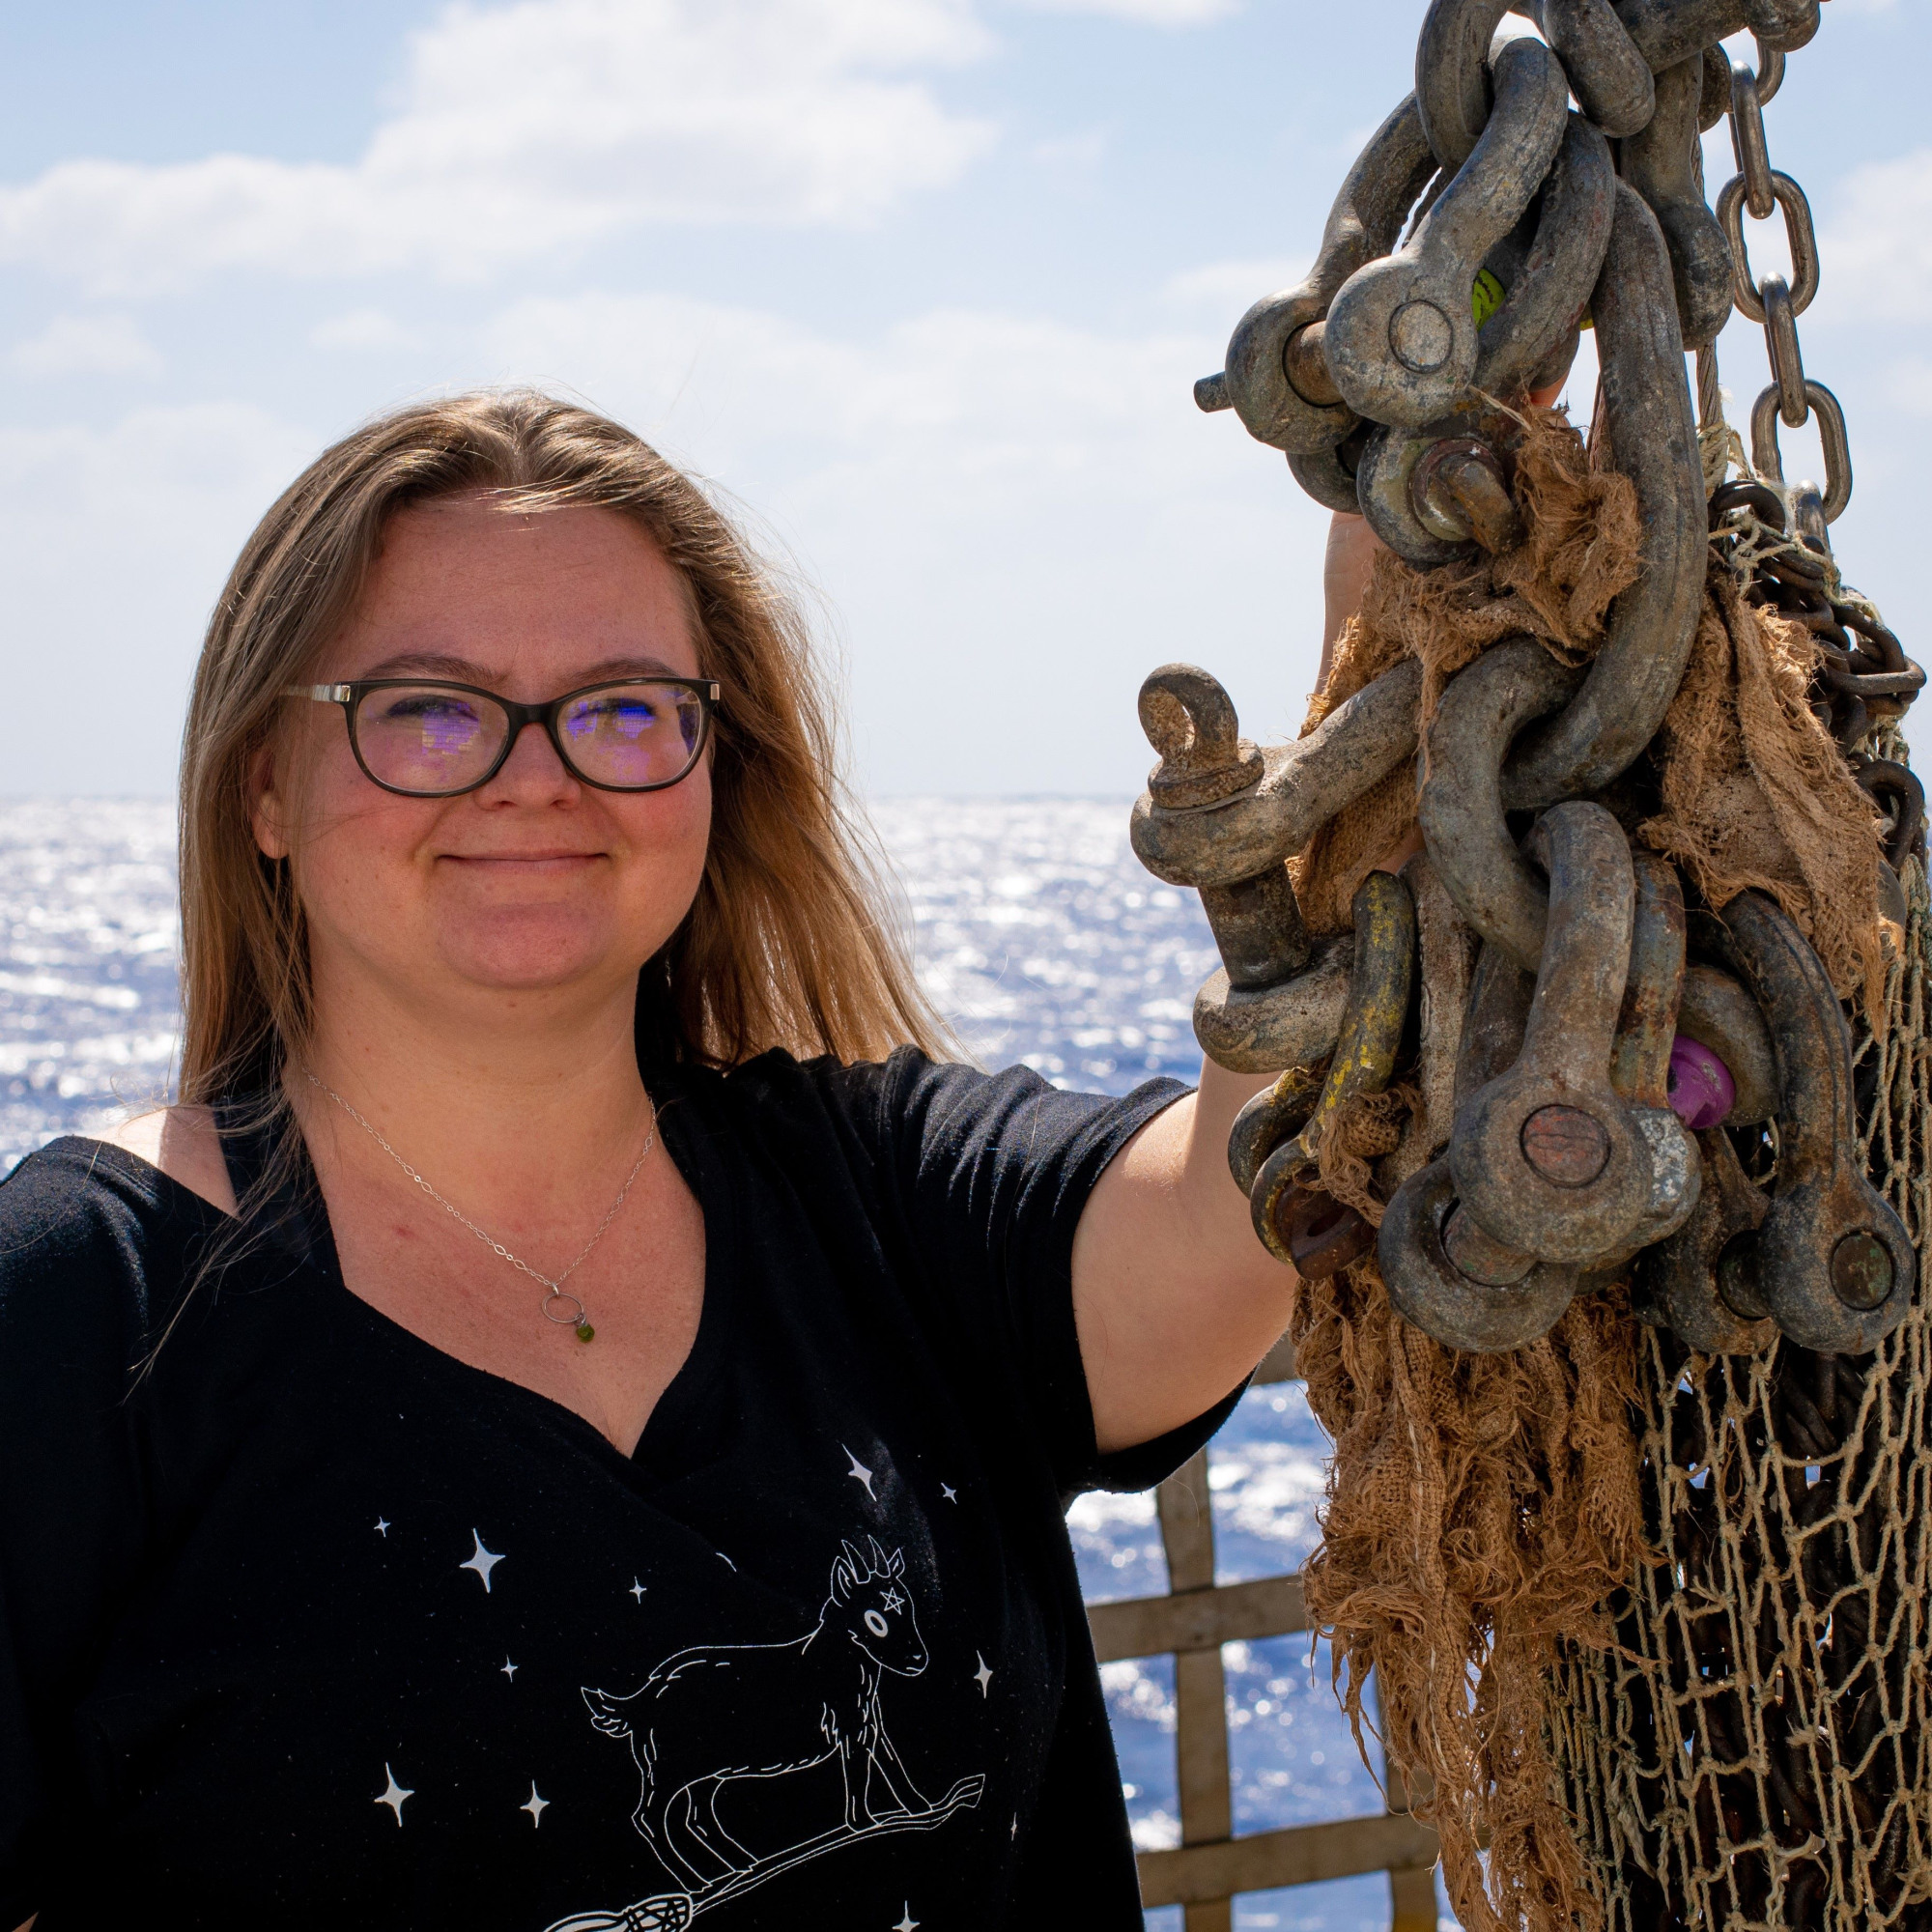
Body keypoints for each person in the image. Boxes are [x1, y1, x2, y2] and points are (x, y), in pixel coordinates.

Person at [0, 392, 1302, 1932]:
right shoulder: (86, 1301)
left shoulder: (875, 1193)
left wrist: (1398, 592)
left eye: (623, 708)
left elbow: (1239, 1216)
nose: (535, 774)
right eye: (425, 707)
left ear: (709, 768)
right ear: (264, 787)